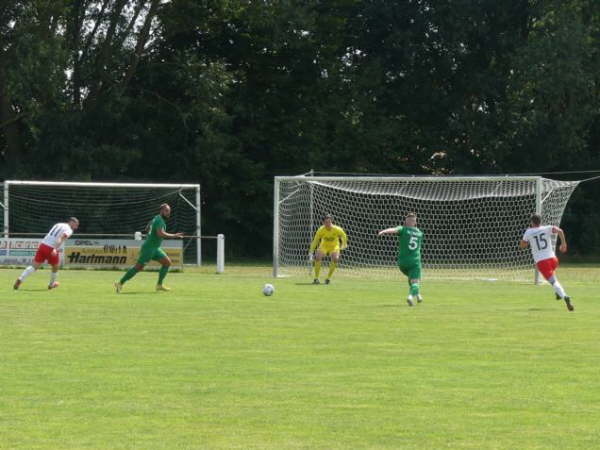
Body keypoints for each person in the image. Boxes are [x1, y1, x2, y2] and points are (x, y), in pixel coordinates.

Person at [114, 203, 184, 292]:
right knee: (138, 267)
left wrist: (149, 232)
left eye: (169, 211)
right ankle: (120, 283)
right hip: (149, 248)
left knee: (167, 263)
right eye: (166, 211)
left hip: (155, 248)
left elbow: (148, 227)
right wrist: (174, 235)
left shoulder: (157, 218)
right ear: (161, 211)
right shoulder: (160, 220)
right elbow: (160, 234)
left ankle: (159, 285)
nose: (168, 213)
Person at [519, 213, 573, 311]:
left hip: (542, 262)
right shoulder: (547, 228)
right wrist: (563, 244)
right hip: (553, 259)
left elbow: (522, 245)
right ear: (540, 221)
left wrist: (526, 241)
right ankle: (558, 293)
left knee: (553, 282)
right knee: (553, 276)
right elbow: (560, 231)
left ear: (531, 222)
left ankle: (565, 296)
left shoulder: (529, 231)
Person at [13, 217, 80, 290]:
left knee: (34, 266)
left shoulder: (58, 224)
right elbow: (61, 238)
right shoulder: (69, 230)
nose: (76, 227)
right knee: (55, 267)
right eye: (76, 225)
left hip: (43, 244)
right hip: (51, 247)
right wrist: (55, 248)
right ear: (71, 222)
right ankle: (51, 284)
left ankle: (20, 278)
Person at [378, 212, 424, 306]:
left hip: (402, 263)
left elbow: (394, 230)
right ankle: (411, 297)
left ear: (406, 222)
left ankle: (418, 295)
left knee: (411, 278)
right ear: (415, 222)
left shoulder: (403, 229)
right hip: (414, 261)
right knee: (416, 281)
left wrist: (383, 231)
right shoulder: (420, 233)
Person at [309, 214, 348, 284]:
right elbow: (315, 241)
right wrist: (311, 252)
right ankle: (316, 278)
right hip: (324, 246)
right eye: (326, 222)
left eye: (329, 222)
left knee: (335, 258)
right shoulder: (320, 230)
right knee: (317, 257)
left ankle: (328, 278)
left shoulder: (337, 229)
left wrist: (344, 244)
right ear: (323, 223)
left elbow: (343, 235)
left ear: (332, 221)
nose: (328, 224)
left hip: (334, 246)